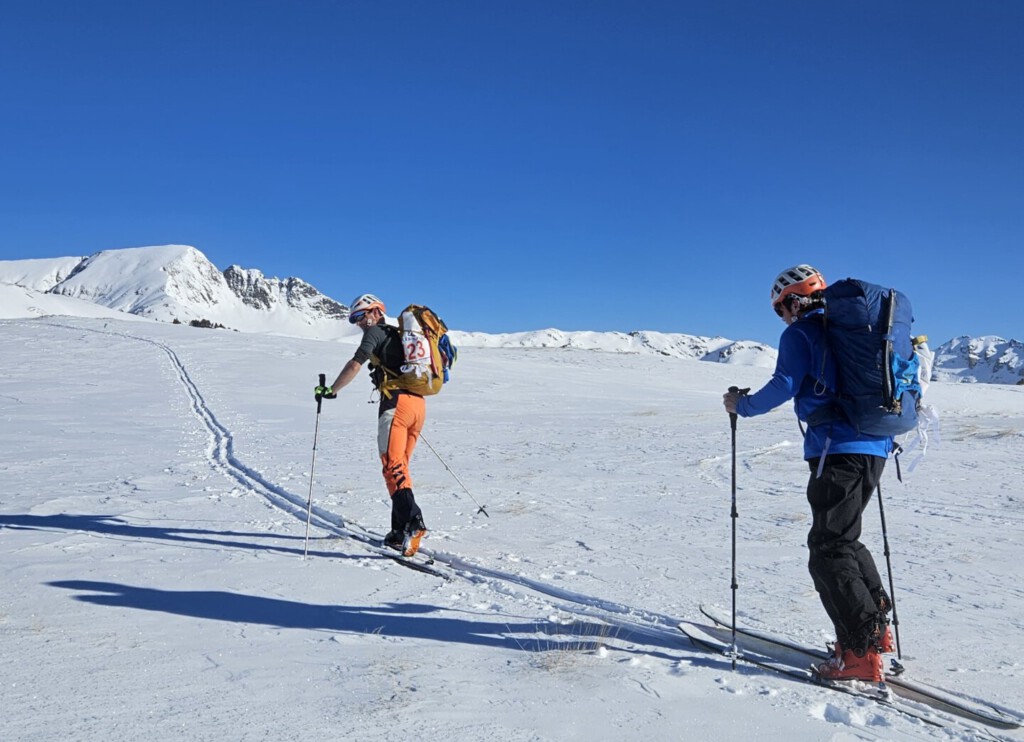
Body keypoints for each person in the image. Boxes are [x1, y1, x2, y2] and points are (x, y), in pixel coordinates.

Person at [722, 265, 895, 683]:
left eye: (781, 309)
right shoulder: (847, 331)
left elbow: (783, 384)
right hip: (874, 446)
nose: (782, 317)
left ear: (791, 301)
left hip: (836, 451)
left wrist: (739, 406)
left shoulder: (801, 333)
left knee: (828, 548)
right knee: (843, 540)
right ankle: (874, 631)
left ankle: (858, 652)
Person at [316, 293, 428, 557]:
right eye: (354, 319)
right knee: (400, 467)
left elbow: (355, 365)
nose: (358, 323)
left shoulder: (375, 333)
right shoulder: (398, 335)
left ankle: (413, 522)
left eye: (360, 316)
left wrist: (332, 390)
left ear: (376, 311)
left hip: (396, 405)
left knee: (392, 466)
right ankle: (398, 531)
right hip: (418, 405)